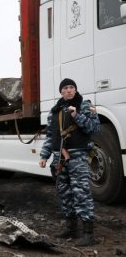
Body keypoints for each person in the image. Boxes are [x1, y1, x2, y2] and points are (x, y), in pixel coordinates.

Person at [38, 78, 100, 247]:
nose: (69, 90)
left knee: (82, 194)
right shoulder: (55, 111)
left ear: (75, 89)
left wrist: (76, 116)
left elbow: (94, 129)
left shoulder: (85, 106)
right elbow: (50, 137)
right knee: (65, 194)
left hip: (78, 156)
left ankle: (88, 234)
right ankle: (72, 230)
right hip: (60, 158)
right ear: (61, 91)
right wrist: (44, 156)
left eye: (72, 87)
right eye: (65, 88)